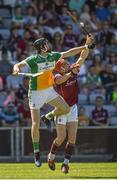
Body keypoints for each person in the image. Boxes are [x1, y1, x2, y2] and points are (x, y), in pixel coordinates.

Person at [13, 36, 93, 167]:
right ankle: (37, 153)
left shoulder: (53, 56)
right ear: (42, 47)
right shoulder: (33, 59)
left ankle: (48, 117)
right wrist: (16, 69)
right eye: (46, 43)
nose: (49, 44)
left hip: (49, 90)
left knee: (66, 108)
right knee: (35, 124)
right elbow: (19, 64)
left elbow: (69, 52)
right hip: (35, 93)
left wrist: (86, 46)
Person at [46, 42, 92, 173]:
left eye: (67, 64)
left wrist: (88, 44)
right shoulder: (56, 75)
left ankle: (65, 164)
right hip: (62, 108)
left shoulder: (72, 69)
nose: (67, 65)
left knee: (72, 139)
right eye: (64, 65)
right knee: (61, 137)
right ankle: (51, 156)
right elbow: (60, 81)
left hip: (73, 108)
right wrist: (71, 72)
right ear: (59, 68)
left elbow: (82, 57)